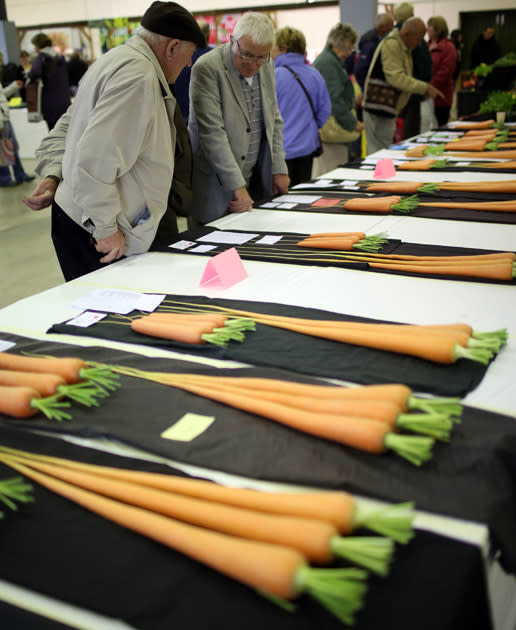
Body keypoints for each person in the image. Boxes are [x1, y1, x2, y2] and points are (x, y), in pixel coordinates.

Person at [22, 1, 205, 282]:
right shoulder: (137, 76)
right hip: (93, 230)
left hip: (86, 220)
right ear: (172, 47)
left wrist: (53, 173)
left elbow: (72, 129)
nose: (189, 63)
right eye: (189, 54)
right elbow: (93, 162)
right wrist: (107, 228)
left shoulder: (116, 60)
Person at [188, 12, 289, 225]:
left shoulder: (267, 65)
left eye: (262, 57)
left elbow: (274, 120)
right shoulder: (207, 68)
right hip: (216, 187)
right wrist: (237, 187)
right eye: (248, 55)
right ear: (232, 41)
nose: (253, 64)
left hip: (256, 179)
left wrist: (279, 168)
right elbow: (213, 135)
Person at [363, 17, 444, 154]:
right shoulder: (392, 44)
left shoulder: (402, 46)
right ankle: (379, 175)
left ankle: (383, 174)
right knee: (379, 151)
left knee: (383, 148)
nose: (419, 44)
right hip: (378, 107)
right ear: (407, 34)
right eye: (418, 39)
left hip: (385, 106)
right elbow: (396, 77)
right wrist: (425, 87)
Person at [272, 26, 331, 187]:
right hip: (307, 147)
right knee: (302, 195)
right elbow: (325, 110)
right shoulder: (315, 74)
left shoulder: (274, 76)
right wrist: (310, 127)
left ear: (283, 48)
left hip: (281, 151)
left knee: (280, 201)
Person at [312, 23, 363, 174]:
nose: (349, 52)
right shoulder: (328, 63)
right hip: (331, 129)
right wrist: (352, 123)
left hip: (329, 128)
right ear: (337, 43)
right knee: (330, 172)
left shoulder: (329, 60)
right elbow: (334, 99)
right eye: (347, 48)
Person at [26, 33, 71, 130]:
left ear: (37, 45)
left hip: (50, 102)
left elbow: (34, 73)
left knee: (54, 133)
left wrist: (28, 76)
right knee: (67, 132)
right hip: (65, 101)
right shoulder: (61, 58)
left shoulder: (41, 57)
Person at [173, 19, 213, 123]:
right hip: (205, 116)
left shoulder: (178, 55)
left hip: (180, 114)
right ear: (208, 35)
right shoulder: (213, 56)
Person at [0, 83, 36, 186]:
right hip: (2, 120)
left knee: (14, 148)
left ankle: (20, 175)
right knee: (3, 149)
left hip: (5, 118)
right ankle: (5, 179)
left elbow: (2, 94)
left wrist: (14, 86)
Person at [427, 16, 457, 127]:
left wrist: (428, 87)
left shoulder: (449, 48)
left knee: (440, 125)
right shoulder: (426, 45)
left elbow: (445, 72)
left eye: (430, 26)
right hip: (426, 95)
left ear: (437, 28)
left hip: (441, 96)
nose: (427, 29)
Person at [354, 13, 394, 93]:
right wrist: (366, 89)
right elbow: (361, 69)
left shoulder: (377, 39)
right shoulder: (370, 44)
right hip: (371, 87)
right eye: (390, 26)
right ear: (382, 27)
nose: (392, 28)